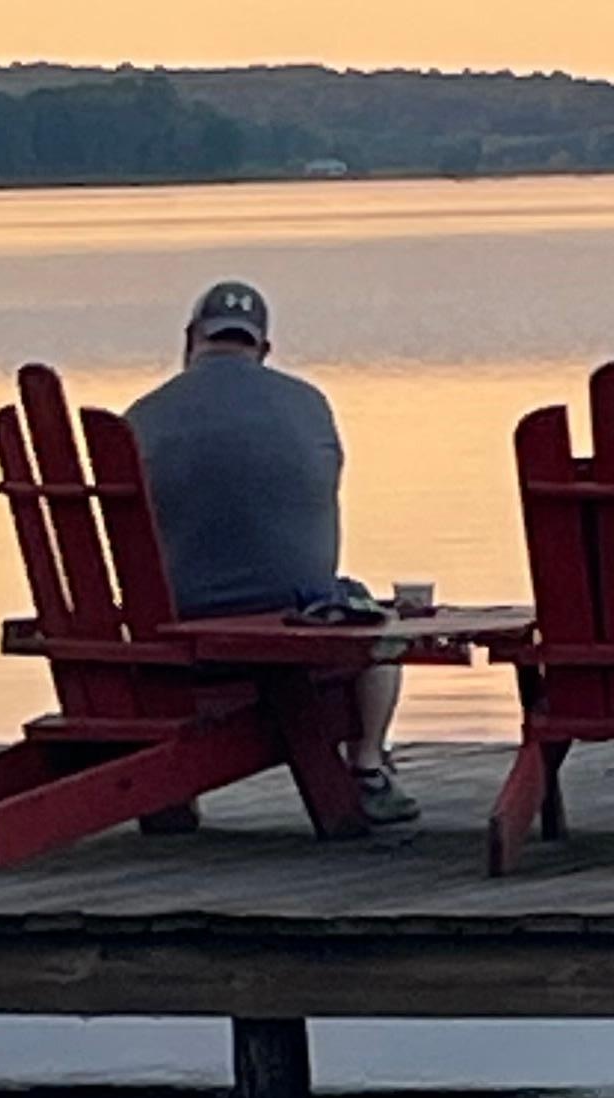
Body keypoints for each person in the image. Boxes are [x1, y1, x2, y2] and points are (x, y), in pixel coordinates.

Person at [123, 280, 415, 827]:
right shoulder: (308, 404)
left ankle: (170, 791)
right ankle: (368, 766)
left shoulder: (141, 417)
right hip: (295, 624)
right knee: (374, 618)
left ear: (190, 340)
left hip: (175, 630)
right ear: (263, 347)